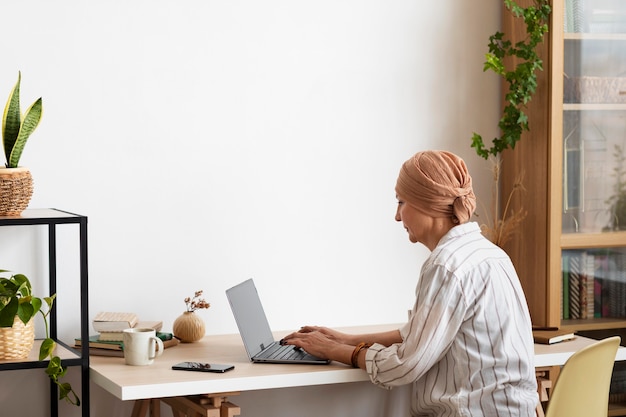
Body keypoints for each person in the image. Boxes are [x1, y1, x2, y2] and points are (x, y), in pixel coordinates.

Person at [282, 150, 538, 416]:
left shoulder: (446, 265)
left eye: (401, 202)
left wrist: (335, 350)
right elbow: (420, 334)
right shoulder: (490, 254)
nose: (396, 216)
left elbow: (405, 365)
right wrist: (344, 338)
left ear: (428, 203)